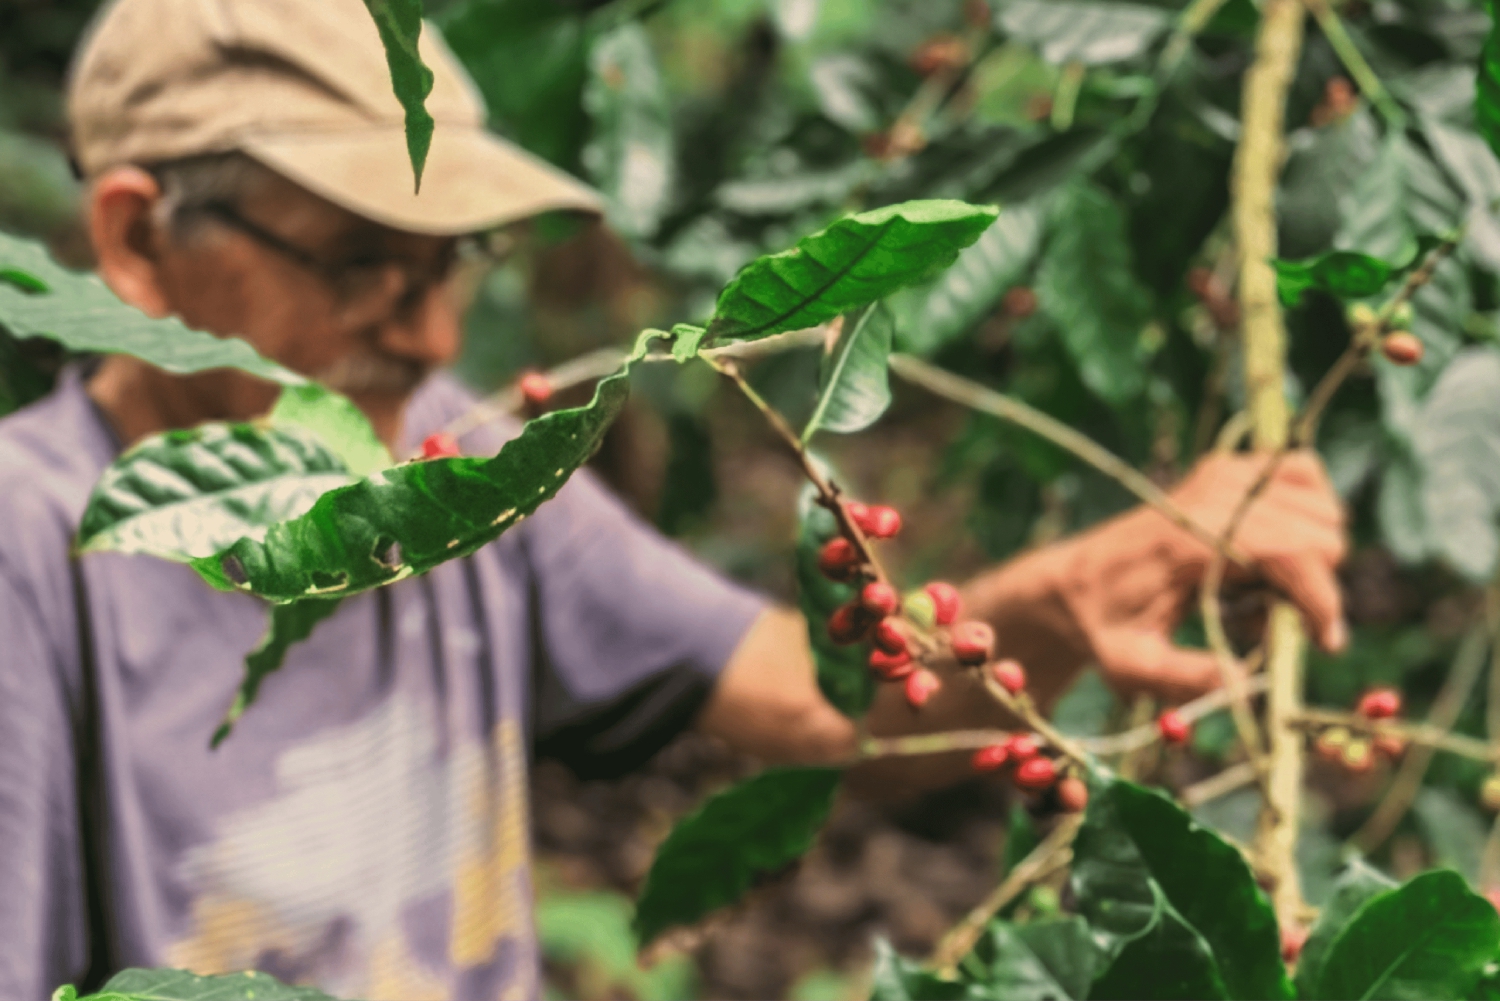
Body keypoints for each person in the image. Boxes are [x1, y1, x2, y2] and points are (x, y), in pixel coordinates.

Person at [0, 0, 1348, 998]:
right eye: (364, 266)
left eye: (454, 262)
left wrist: (1061, 595)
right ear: (136, 239)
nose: (426, 333)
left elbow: (819, 702)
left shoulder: (449, 457)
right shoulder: (26, 552)